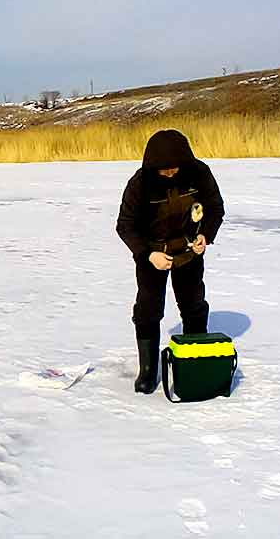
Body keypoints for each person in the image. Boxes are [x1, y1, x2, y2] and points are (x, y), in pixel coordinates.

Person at [116, 129, 224, 394]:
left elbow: (215, 207)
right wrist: (147, 254)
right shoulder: (140, 184)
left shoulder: (199, 173)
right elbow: (125, 225)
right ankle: (149, 371)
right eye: (163, 170)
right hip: (152, 253)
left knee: (193, 303)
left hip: (188, 250)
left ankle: (194, 360)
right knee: (148, 307)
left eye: (174, 168)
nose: (170, 174)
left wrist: (205, 236)